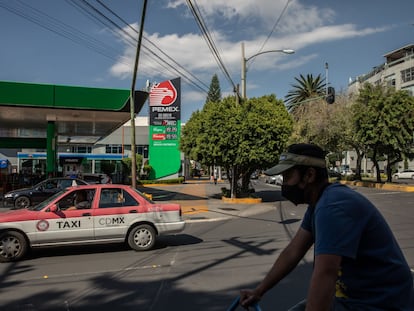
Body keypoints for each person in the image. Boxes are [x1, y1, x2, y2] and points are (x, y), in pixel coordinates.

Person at [240, 143, 413, 310]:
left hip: (381, 304)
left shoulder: (333, 206)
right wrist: (259, 291)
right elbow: (293, 251)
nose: (284, 184)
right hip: (355, 300)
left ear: (309, 175)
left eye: (288, 177)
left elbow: (326, 273)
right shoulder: (319, 204)